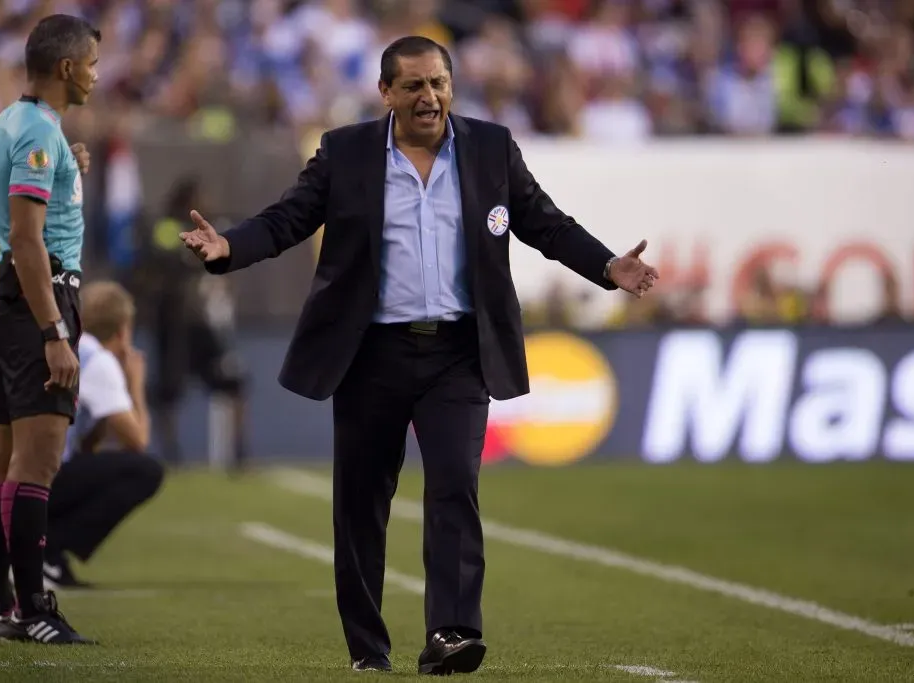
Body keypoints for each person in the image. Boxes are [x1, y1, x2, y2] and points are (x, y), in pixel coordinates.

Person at [181, 36, 659, 675]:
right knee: (361, 504)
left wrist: (606, 266)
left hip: (458, 354)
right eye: (413, 86)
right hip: (369, 354)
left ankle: (452, 633)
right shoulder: (345, 151)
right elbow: (286, 220)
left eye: (438, 83)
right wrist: (230, 248)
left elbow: (546, 224)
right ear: (386, 92)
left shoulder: (491, 148)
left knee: (456, 486)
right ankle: (367, 648)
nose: (428, 97)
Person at [0, 13, 100, 645]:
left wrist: (63, 170)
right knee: (37, 463)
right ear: (67, 67)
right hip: (37, 301)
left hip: (8, 301)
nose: (97, 76)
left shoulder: (10, 123)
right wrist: (54, 332)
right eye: (92, 64)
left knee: (4, 458)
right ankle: (32, 611)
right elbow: (25, 239)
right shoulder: (41, 132)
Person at [0, 281, 162, 593]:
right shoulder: (98, 360)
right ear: (123, 331)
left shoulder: (63, 344)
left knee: (93, 467)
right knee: (146, 471)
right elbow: (137, 442)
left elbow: (85, 450)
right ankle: (46, 553)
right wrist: (136, 383)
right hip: (17, 486)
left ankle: (37, 550)